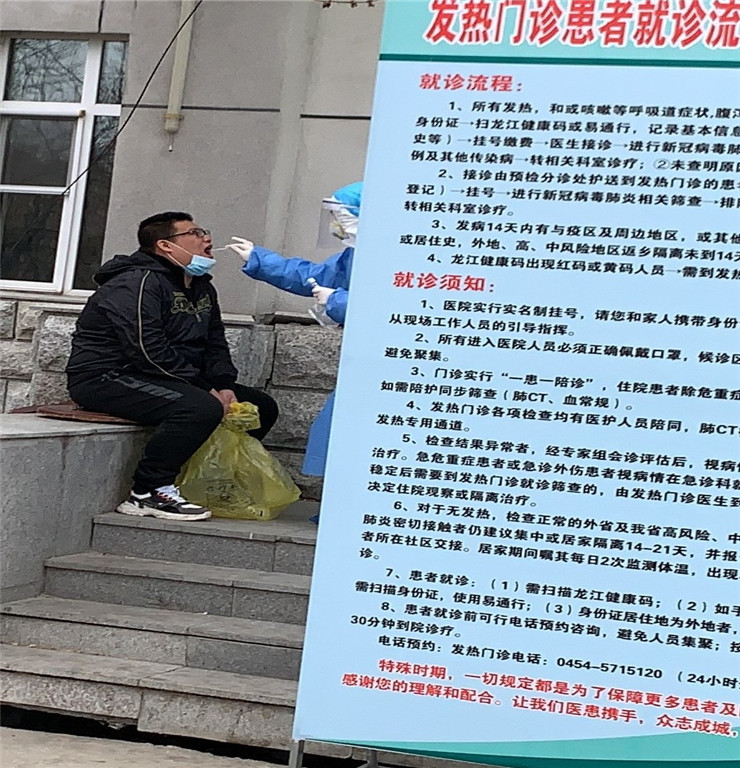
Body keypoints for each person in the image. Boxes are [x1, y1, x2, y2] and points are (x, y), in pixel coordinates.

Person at [66, 211, 278, 522]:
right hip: (108, 377)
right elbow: (146, 350)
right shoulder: (135, 283)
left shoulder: (201, 287)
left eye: (204, 231)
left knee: (261, 407)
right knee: (199, 408)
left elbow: (214, 343)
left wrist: (223, 385)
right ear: (165, 245)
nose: (207, 238)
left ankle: (211, 481)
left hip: (165, 376)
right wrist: (203, 389)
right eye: (195, 233)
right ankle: (147, 492)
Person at [227, 182, 361, 495]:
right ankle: (341, 507)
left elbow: (396, 306)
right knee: (344, 434)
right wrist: (260, 259)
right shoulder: (356, 254)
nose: (335, 224)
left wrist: (338, 301)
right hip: (362, 363)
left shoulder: (403, 253)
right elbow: (314, 276)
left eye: (341, 215)